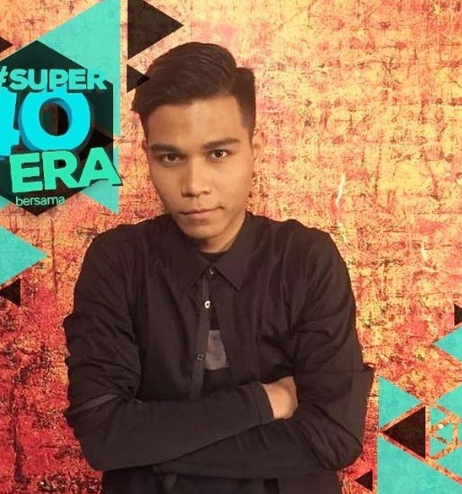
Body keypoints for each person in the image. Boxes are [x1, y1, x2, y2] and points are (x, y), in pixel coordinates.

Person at [62, 41, 375, 494]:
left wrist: (148, 445)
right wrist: (265, 400)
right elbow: (103, 435)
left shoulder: (307, 258)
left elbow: (333, 436)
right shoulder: (118, 260)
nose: (194, 185)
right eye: (171, 157)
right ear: (147, 155)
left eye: (218, 154)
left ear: (255, 147)